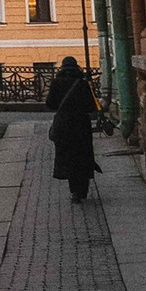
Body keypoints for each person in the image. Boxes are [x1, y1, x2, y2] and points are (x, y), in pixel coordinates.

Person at [47, 55, 99, 202]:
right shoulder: (82, 84)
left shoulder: (56, 83)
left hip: (64, 125)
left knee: (68, 157)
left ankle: (74, 191)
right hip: (81, 125)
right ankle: (83, 190)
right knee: (83, 156)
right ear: (76, 67)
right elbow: (91, 106)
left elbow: (50, 104)